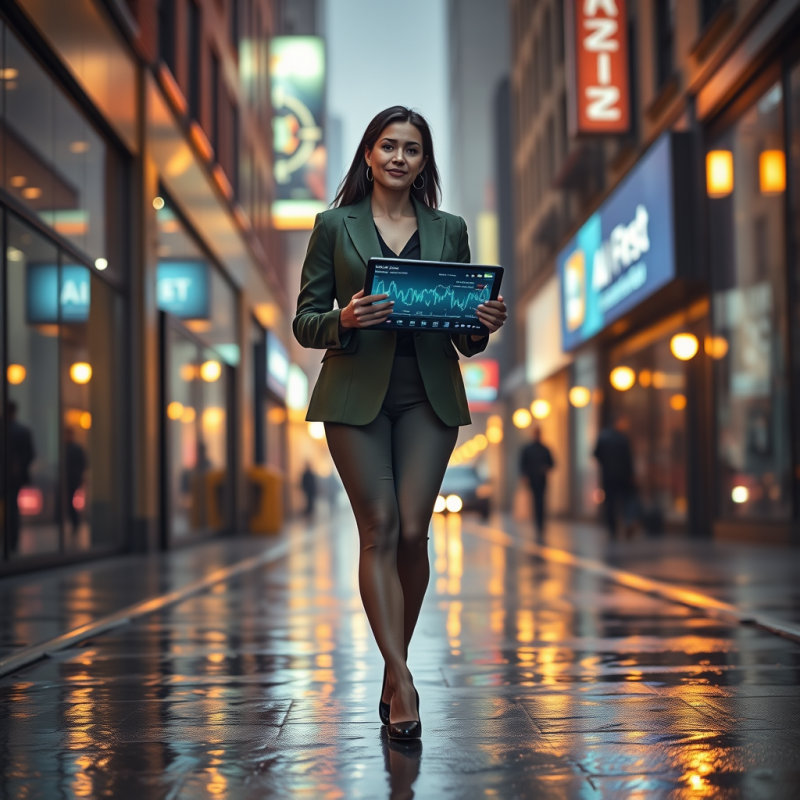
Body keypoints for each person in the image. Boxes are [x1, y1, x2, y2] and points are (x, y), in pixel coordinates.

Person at [293, 106, 507, 741]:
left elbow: (467, 339)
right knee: (379, 527)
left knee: (415, 532)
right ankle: (402, 679)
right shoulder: (334, 226)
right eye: (387, 146)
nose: (398, 158)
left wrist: (481, 324)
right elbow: (306, 320)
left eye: (411, 150)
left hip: (429, 397)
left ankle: (393, 674)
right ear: (368, 154)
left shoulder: (451, 229)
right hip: (355, 395)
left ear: (423, 163)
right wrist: (345, 320)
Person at [593, 416, 635, 539]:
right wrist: (631, 474)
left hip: (609, 475)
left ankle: (613, 529)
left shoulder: (603, 437)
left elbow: (596, 454)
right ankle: (626, 522)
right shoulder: (623, 438)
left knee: (611, 503)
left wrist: (605, 464)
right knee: (624, 501)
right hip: (622, 475)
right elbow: (628, 459)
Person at [6, 401, 35, 554]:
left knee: (11, 507)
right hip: (15, 477)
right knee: (12, 508)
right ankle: (12, 541)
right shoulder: (23, 431)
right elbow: (30, 454)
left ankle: (10, 541)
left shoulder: (17, 431)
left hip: (11, 477)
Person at [519, 426, 554, 539]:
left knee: (541, 501)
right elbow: (522, 464)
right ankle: (537, 522)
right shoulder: (528, 449)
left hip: (542, 479)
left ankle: (540, 523)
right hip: (532, 479)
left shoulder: (545, 449)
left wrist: (546, 468)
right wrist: (524, 475)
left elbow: (552, 463)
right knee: (536, 500)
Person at [65, 427, 88, 535]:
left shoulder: (73, 449)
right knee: (69, 502)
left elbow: (83, 465)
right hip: (70, 479)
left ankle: (75, 522)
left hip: (73, 479)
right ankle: (75, 522)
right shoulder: (67, 448)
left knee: (70, 501)